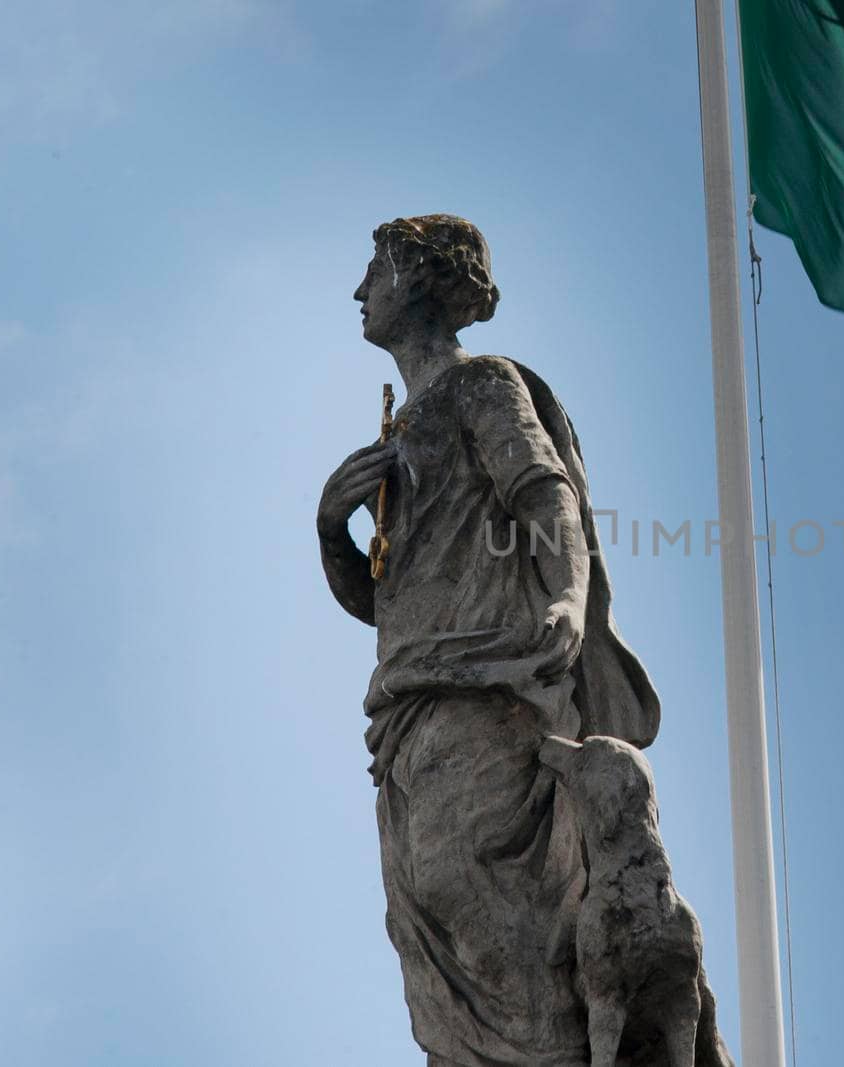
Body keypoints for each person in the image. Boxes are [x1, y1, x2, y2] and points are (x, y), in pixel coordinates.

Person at [316, 215, 659, 1066]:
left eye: (377, 271)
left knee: (497, 919)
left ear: (423, 279)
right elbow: (385, 600)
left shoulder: (483, 385)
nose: (361, 291)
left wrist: (570, 597)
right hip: (404, 720)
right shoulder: (395, 431)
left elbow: (546, 496)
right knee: (432, 932)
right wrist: (331, 529)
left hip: (487, 695)